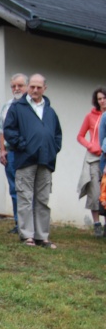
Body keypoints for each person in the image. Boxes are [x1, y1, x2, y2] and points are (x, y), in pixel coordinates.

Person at [3, 74, 63, 249]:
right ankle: (27, 235)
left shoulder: (50, 112)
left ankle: (42, 236)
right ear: (28, 87)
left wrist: (52, 150)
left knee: (42, 199)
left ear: (45, 88)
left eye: (39, 87)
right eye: (32, 87)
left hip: (45, 161)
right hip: (26, 160)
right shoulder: (17, 108)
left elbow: (57, 135)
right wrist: (24, 146)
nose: (35, 90)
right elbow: (9, 130)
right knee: (25, 198)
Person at [0, 74, 28, 234]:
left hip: (28, 153)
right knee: (14, 188)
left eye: (20, 85)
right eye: (13, 86)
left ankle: (31, 223)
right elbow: (2, 130)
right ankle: (19, 223)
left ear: (27, 87)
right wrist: (2, 150)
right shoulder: (7, 106)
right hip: (11, 152)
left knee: (29, 189)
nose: (16, 89)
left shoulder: (32, 105)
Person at [76, 87, 105, 236]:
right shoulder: (90, 116)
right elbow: (80, 136)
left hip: (105, 158)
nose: (102, 101)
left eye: (104, 98)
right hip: (93, 158)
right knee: (95, 190)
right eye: (99, 98)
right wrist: (90, 145)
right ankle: (97, 224)